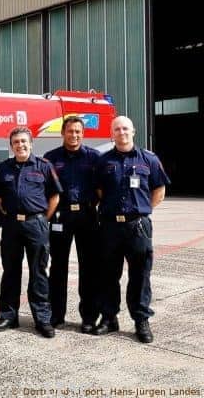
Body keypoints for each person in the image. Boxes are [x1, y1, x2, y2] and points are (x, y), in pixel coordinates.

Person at [93, 115, 170, 343]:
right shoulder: (103, 161)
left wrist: (141, 211)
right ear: (112, 134)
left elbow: (159, 191)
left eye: (125, 128)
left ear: (133, 131)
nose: (122, 132)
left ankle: (141, 320)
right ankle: (109, 318)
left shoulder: (149, 159)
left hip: (138, 227)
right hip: (109, 227)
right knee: (108, 274)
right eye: (117, 129)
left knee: (140, 275)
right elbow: (99, 191)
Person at [0, 126, 62, 338]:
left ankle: (42, 319)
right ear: (11, 146)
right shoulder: (4, 168)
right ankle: (8, 316)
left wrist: (41, 219)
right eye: (16, 142)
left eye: (23, 141)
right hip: (12, 225)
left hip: (36, 224)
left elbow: (54, 197)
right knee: (10, 271)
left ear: (31, 144)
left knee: (38, 272)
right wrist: (8, 215)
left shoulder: (44, 166)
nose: (20, 145)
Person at [42, 116, 101, 333]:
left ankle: (88, 317)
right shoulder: (50, 158)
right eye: (70, 131)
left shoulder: (95, 158)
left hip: (87, 216)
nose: (74, 135)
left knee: (89, 268)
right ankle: (56, 315)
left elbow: (101, 187)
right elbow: (46, 189)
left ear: (83, 134)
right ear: (63, 133)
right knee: (58, 267)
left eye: (78, 131)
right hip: (61, 216)